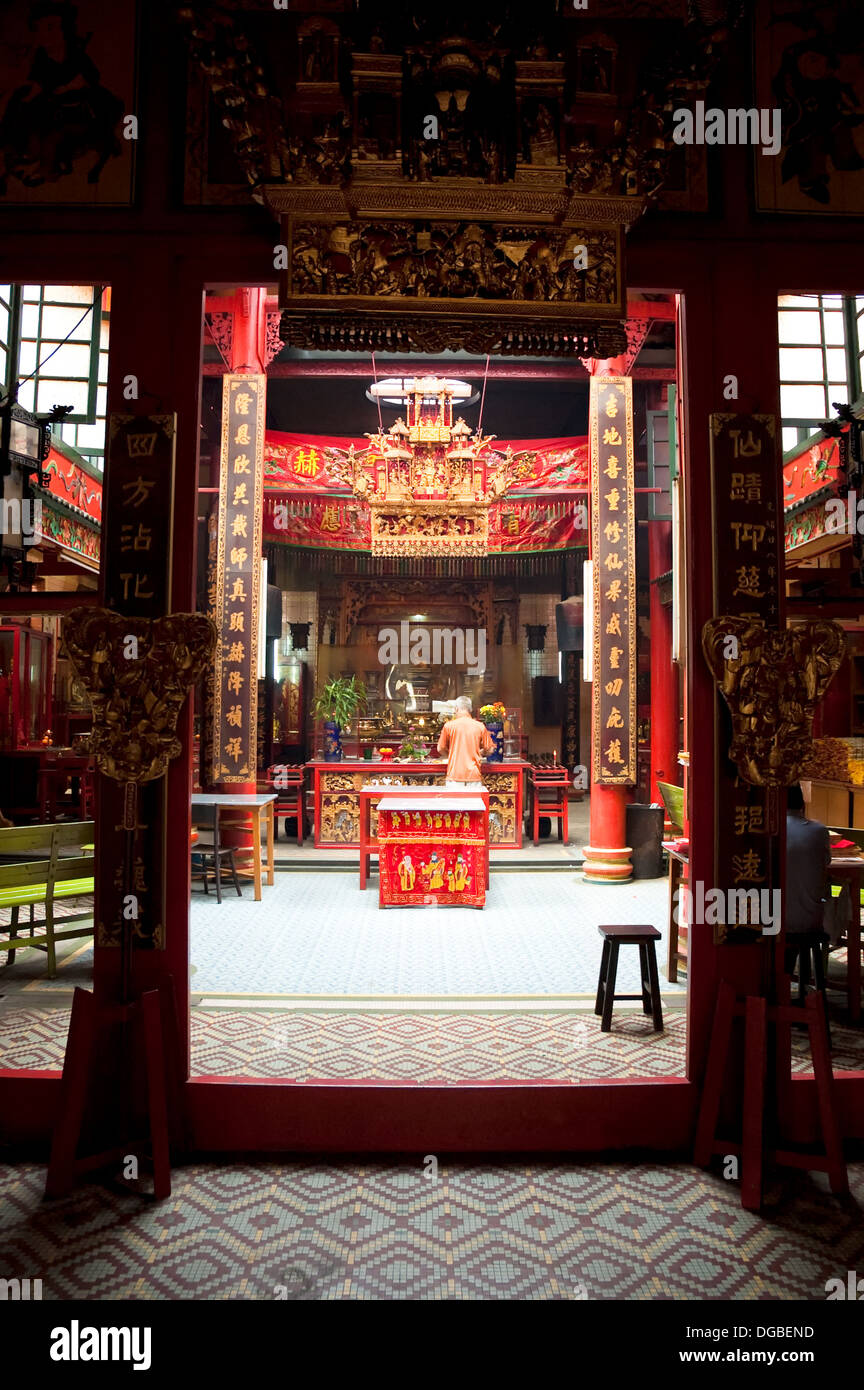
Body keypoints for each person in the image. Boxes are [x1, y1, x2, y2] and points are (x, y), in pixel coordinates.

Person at [785, 784, 831, 983]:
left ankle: (784, 978)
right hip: (811, 919)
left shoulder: (773, 829)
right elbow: (826, 862)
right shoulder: (819, 831)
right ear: (803, 804)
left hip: (775, 920)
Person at [437, 696, 493, 791]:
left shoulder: (449, 726)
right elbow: (490, 749)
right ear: (470, 709)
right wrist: (479, 752)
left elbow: (440, 748)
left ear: (456, 709)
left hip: (454, 775)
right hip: (474, 775)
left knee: (454, 805)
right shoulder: (479, 726)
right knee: (474, 805)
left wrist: (451, 755)